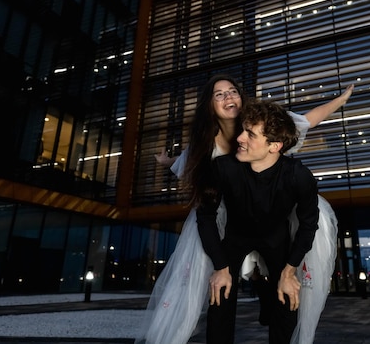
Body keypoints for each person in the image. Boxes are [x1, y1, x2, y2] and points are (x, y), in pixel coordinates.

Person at [137, 74, 352, 344]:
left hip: (273, 212)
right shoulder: (208, 151)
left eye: (233, 91)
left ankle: (272, 303)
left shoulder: (265, 124)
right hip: (230, 214)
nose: (228, 97)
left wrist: (341, 100)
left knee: (285, 276)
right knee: (218, 278)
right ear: (209, 106)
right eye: (219, 94)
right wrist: (166, 161)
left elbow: (307, 120)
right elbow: (185, 166)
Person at [197, 99, 320, 343]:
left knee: (287, 293)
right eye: (243, 130)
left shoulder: (299, 176)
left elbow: (308, 225)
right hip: (236, 235)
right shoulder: (222, 168)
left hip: (276, 237)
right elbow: (205, 215)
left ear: (274, 146)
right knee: (220, 289)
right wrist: (221, 268)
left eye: (250, 134)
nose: (240, 138)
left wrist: (289, 271)